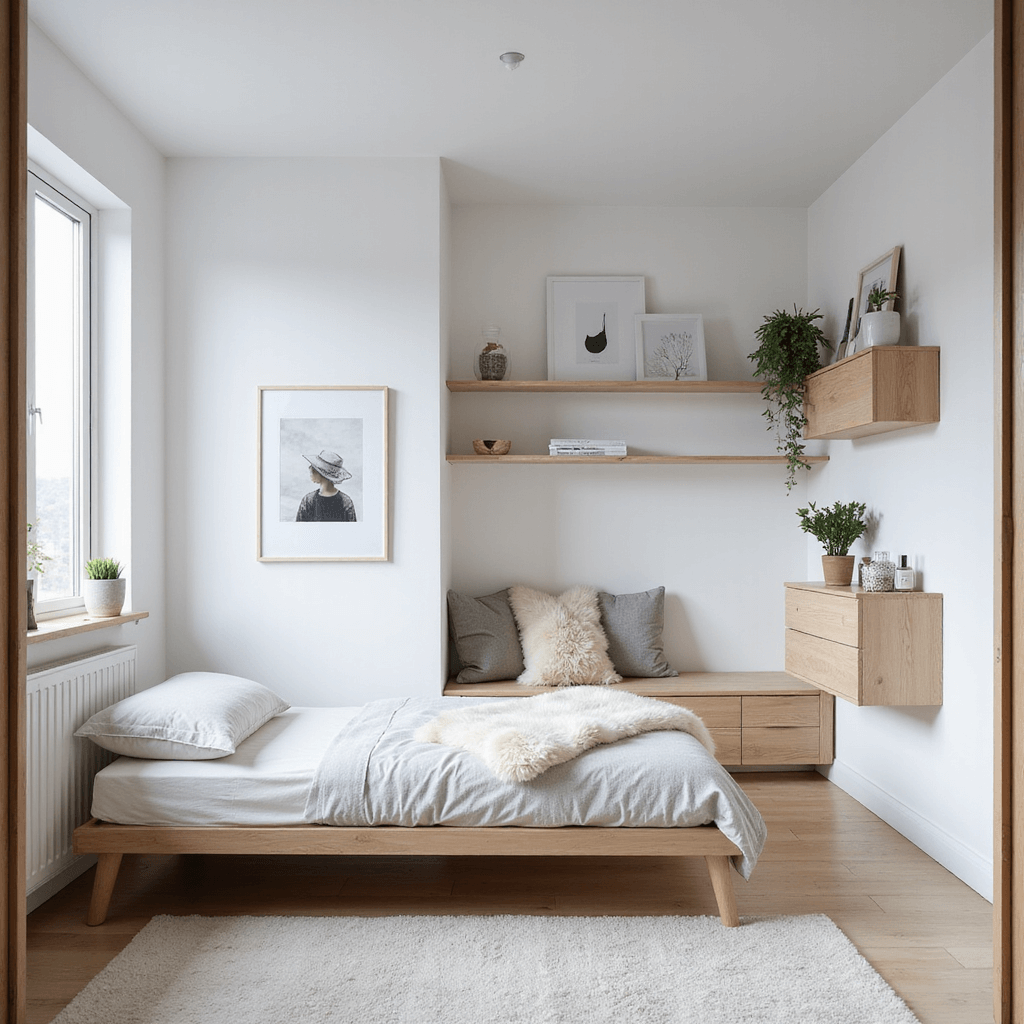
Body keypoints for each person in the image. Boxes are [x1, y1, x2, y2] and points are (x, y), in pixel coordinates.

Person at [295, 450, 357, 522]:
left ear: (322, 474)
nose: (310, 469)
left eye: (314, 468)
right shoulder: (308, 500)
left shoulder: (345, 502)